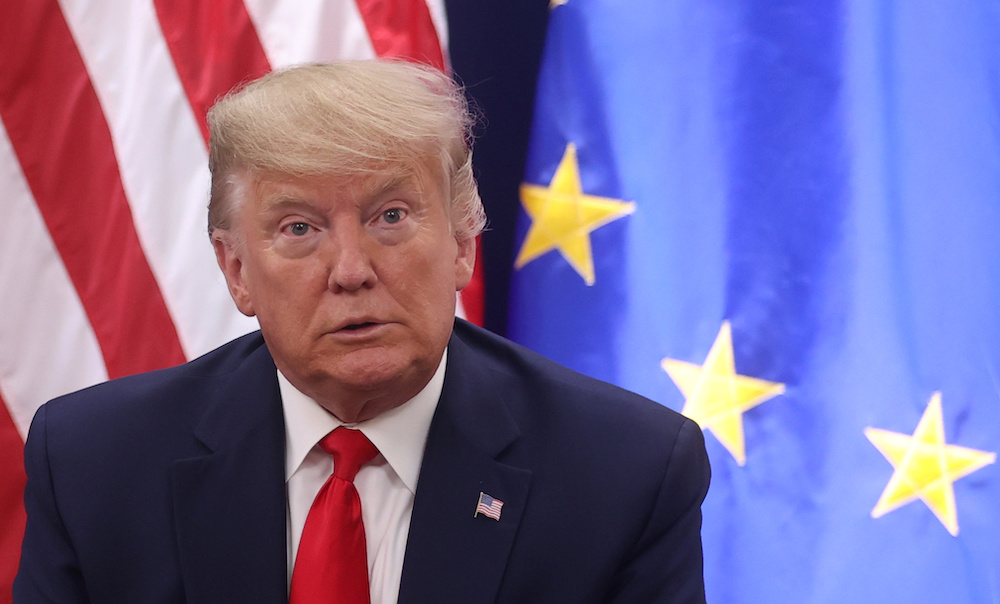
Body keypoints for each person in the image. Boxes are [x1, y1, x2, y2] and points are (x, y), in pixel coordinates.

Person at [14, 60, 711, 603]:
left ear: (464, 243)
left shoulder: (624, 473)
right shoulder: (95, 465)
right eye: (299, 228)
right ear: (236, 271)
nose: (350, 270)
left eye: (392, 216)